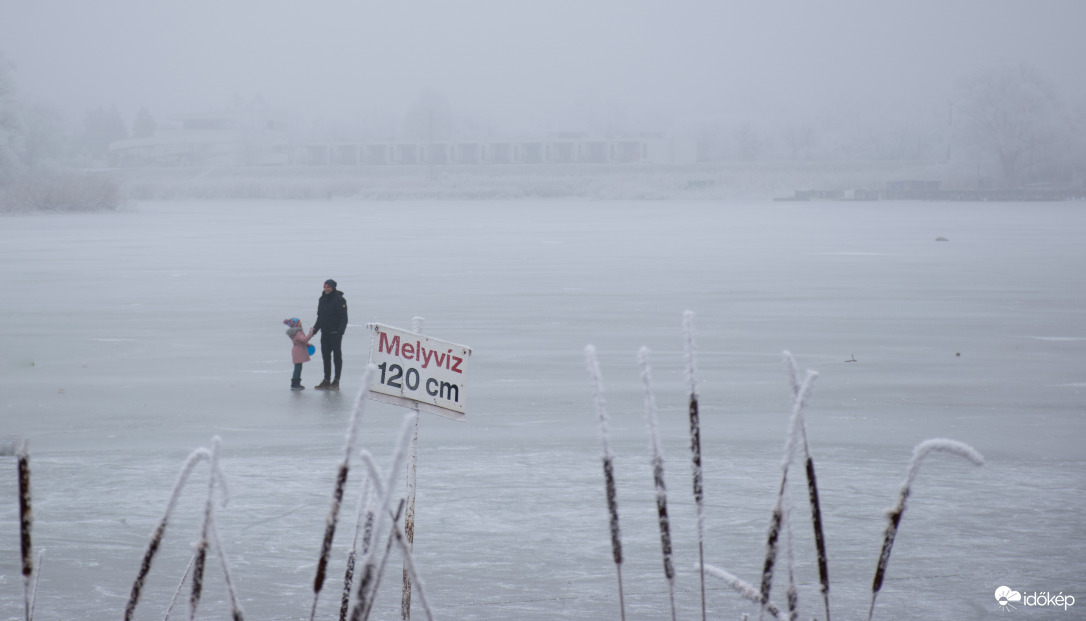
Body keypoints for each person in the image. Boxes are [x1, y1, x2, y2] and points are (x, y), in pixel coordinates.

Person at [312, 278, 348, 390]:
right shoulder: (322, 299)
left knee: (337, 357)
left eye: (328, 287)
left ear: (333, 288)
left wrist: (340, 332)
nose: (326, 289)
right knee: (325, 357)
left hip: (335, 333)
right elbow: (320, 317)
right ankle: (326, 380)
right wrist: (314, 330)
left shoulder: (339, 300)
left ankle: (336, 381)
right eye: (325, 287)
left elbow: (344, 318)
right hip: (325, 333)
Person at [283, 317, 315, 391]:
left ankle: (296, 383)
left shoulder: (295, 333)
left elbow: (301, 341)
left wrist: (307, 344)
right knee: (297, 368)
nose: (301, 324)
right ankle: (295, 384)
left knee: (298, 367)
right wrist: (311, 332)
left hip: (297, 351)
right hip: (298, 352)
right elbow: (304, 339)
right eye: (300, 323)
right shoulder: (298, 333)